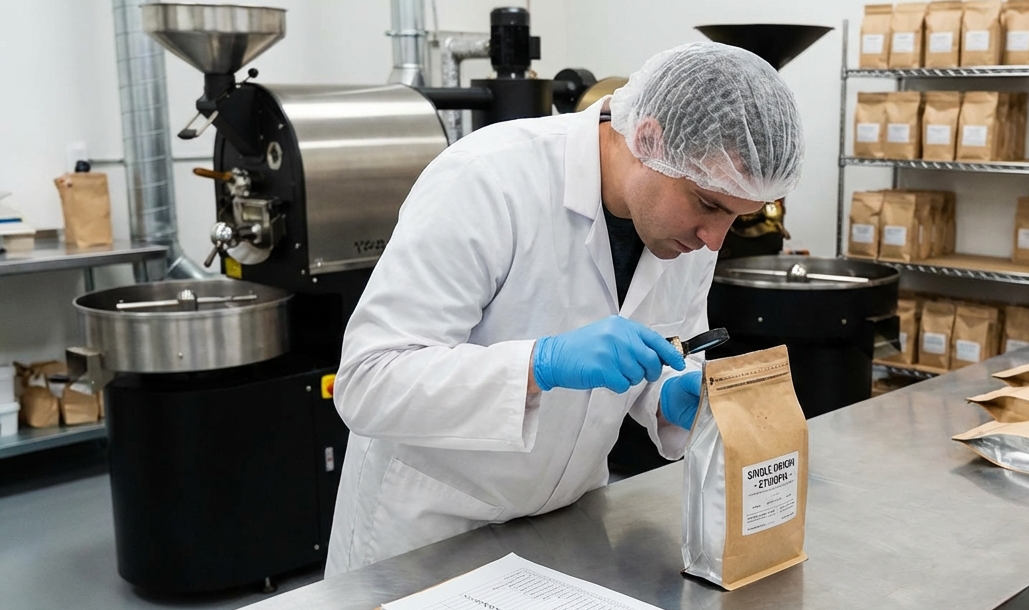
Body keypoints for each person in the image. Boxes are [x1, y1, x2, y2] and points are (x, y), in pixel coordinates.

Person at [324, 43, 803, 576]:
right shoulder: (488, 178)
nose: (714, 240)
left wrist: (667, 393)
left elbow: (665, 348)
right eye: (708, 205)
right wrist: (539, 365)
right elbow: (368, 382)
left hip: (561, 528)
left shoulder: (685, 233)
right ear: (647, 140)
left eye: (735, 217)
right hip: (430, 534)